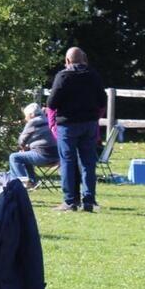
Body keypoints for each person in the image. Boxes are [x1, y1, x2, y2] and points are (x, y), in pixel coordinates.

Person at [46, 47, 107, 212]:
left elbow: (51, 103)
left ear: (67, 61)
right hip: (88, 125)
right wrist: (95, 118)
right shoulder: (93, 76)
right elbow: (103, 100)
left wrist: (52, 124)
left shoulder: (63, 76)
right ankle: (89, 201)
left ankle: (70, 201)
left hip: (67, 126)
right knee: (88, 163)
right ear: (84, 60)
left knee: (67, 162)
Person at [8, 103, 59, 189]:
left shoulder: (33, 122)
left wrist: (23, 147)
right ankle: (32, 182)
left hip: (43, 156)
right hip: (56, 156)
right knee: (25, 156)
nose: (25, 118)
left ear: (31, 115)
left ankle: (21, 184)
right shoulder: (47, 119)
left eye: (26, 116)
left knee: (14, 157)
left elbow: (21, 140)